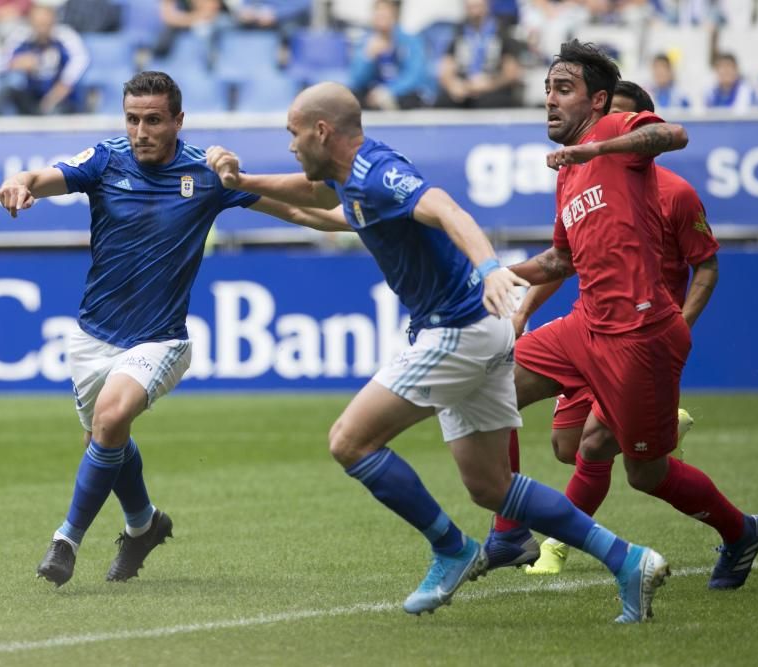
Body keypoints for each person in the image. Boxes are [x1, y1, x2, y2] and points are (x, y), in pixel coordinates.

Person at [205, 80, 670, 623]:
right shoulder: (351, 179)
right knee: (491, 487)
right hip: (481, 330)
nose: (289, 145)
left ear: (321, 130)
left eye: (292, 133)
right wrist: (240, 187)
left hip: (457, 331)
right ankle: (629, 560)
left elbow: (446, 208)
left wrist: (490, 267)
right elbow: (315, 205)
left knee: (350, 442)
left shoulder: (379, 174)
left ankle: (450, 548)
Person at [0, 71, 351, 587]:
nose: (141, 131)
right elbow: (39, 177)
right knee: (103, 438)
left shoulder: (206, 174)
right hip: (93, 336)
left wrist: (366, 215)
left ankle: (65, 541)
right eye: (133, 119)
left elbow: (308, 208)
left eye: (154, 120)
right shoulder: (106, 160)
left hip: (162, 338)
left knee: (112, 417)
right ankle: (143, 525)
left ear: (178, 121)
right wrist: (18, 184)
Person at [503, 40, 758, 591]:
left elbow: (675, 135)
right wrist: (500, 274)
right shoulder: (568, 173)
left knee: (643, 472)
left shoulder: (611, 142)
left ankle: (741, 531)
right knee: (491, 385)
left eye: (563, 89)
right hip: (587, 325)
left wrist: (597, 150)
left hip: (641, 337)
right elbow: (561, 258)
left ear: (600, 103)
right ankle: (509, 533)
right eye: (547, 90)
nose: (549, 100)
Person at [0, 1, 90, 115]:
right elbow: (0, 63)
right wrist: (16, 63)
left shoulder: (65, 37)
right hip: (31, 96)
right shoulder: (21, 36)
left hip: (59, 99)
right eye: (37, 24)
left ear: (53, 21)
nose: (41, 28)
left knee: (56, 110)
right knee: (7, 88)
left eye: (45, 24)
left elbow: (79, 64)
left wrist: (54, 96)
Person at [435, 0, 525, 109]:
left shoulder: (502, 31)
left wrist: (489, 84)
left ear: (487, 6)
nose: (475, 12)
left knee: (489, 102)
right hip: (464, 88)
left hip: (493, 88)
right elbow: (446, 68)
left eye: (478, 7)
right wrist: (453, 85)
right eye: (471, 7)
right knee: (443, 102)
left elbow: (512, 73)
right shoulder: (458, 32)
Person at [347, 0, 428, 110]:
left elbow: (414, 76)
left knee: (411, 98)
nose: (381, 18)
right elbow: (356, 80)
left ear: (394, 15)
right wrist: (368, 57)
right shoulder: (365, 42)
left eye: (385, 14)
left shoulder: (411, 41)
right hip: (372, 94)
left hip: (400, 95)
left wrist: (389, 91)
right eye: (378, 13)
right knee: (352, 98)